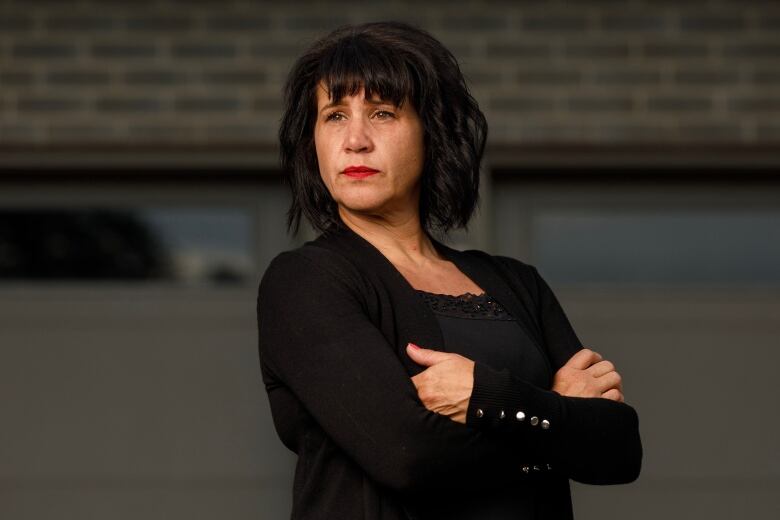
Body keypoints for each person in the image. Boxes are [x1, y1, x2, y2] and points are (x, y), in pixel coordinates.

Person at [257, 21, 641, 520]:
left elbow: (619, 449)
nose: (355, 140)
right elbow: (408, 453)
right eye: (334, 116)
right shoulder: (306, 282)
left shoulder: (517, 283)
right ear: (313, 142)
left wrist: (486, 396)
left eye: (382, 113)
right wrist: (551, 414)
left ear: (431, 132)